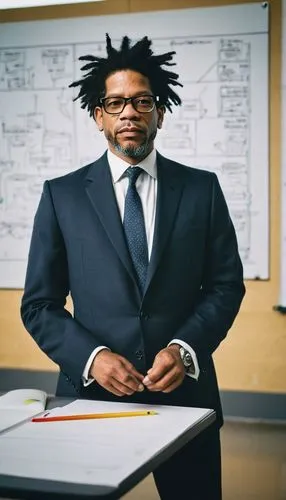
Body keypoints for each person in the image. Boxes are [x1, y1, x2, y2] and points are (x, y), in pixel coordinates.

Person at [21, 34, 245, 500]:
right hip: (91, 398)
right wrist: (92, 358)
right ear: (98, 115)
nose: (129, 112)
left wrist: (185, 349)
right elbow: (40, 303)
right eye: (116, 103)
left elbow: (225, 286)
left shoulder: (201, 190)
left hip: (187, 397)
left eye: (142, 101)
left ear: (159, 111)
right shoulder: (61, 196)